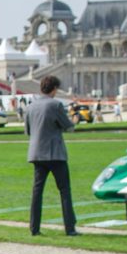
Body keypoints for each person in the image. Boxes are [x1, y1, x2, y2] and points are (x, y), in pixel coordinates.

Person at [24, 75, 78, 237]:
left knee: (37, 192)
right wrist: (74, 119)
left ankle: (34, 227)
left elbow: (29, 131)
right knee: (64, 191)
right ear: (54, 89)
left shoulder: (31, 106)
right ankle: (70, 227)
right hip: (54, 153)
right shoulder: (55, 105)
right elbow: (68, 127)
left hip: (36, 153)